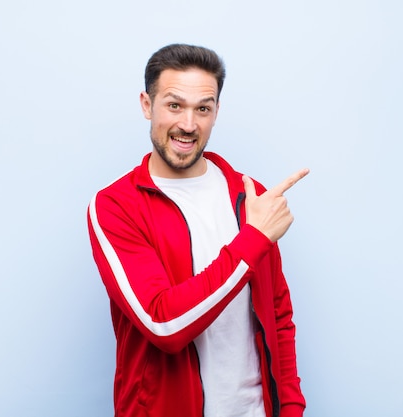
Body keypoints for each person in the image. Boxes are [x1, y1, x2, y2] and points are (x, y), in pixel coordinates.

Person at [87, 43, 308, 417]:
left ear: (216, 112)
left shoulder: (247, 195)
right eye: (174, 105)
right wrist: (253, 240)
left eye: (202, 109)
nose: (188, 124)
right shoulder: (116, 205)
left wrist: (290, 408)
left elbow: (278, 315)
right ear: (147, 105)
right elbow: (163, 324)